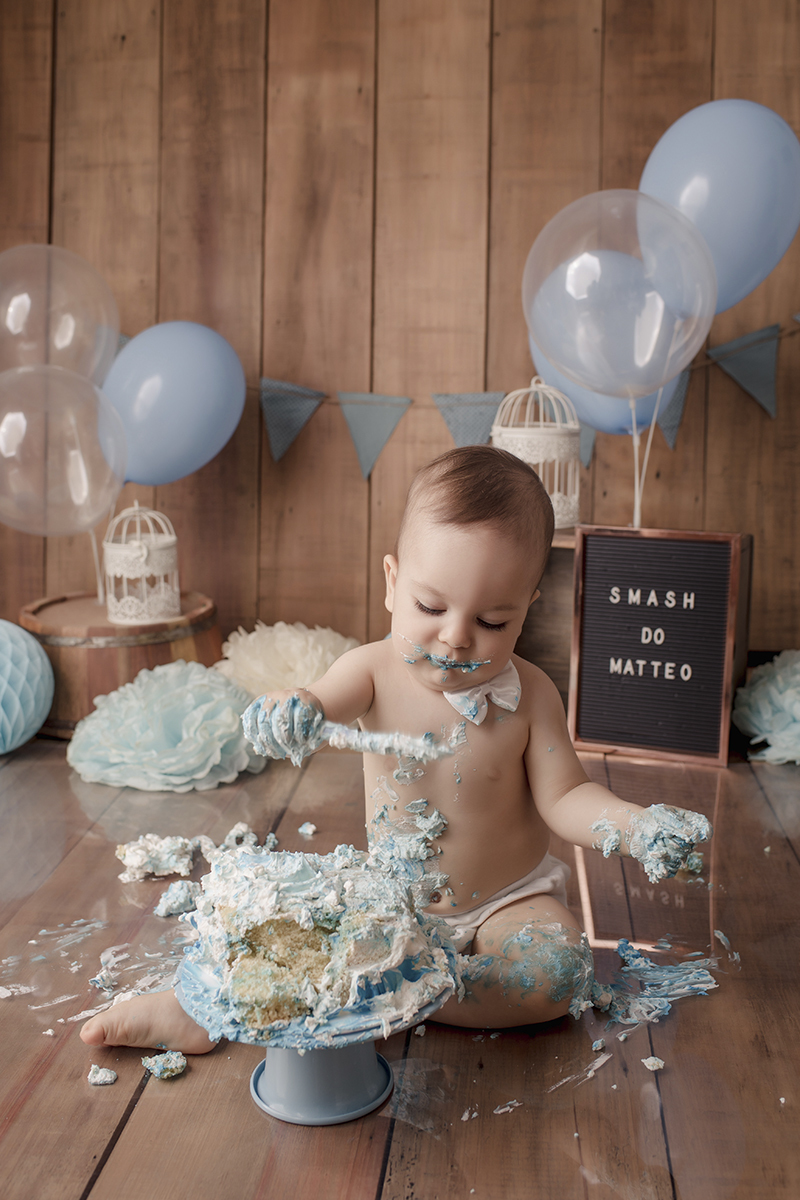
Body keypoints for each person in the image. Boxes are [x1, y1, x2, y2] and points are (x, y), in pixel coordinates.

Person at [81, 445, 710, 1052]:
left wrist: (636, 826)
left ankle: (395, 1002)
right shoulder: (372, 669)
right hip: (393, 904)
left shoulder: (534, 695)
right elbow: (321, 699)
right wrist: (293, 708)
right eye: (430, 606)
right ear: (391, 582)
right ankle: (197, 1009)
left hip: (510, 900)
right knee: (293, 940)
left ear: (527, 609)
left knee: (555, 973)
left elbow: (566, 795)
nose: (457, 636)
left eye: (493, 621)